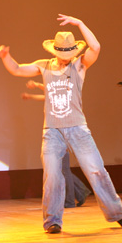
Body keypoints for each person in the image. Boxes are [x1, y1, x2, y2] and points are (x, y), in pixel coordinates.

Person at [0, 14, 122, 233]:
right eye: (62, 53)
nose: (66, 57)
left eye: (69, 53)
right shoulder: (44, 66)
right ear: (55, 51)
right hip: (52, 131)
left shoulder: (79, 65)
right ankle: (53, 221)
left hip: (78, 128)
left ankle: (117, 214)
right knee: (52, 176)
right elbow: (18, 69)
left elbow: (96, 47)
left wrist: (80, 24)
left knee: (96, 170)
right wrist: (6, 56)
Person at [22, 80, 90, 208]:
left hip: (64, 133)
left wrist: (36, 85)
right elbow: (47, 96)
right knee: (61, 169)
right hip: (58, 134)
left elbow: (49, 92)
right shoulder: (59, 97)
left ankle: (70, 200)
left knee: (64, 170)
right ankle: (81, 192)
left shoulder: (68, 97)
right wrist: (31, 96)